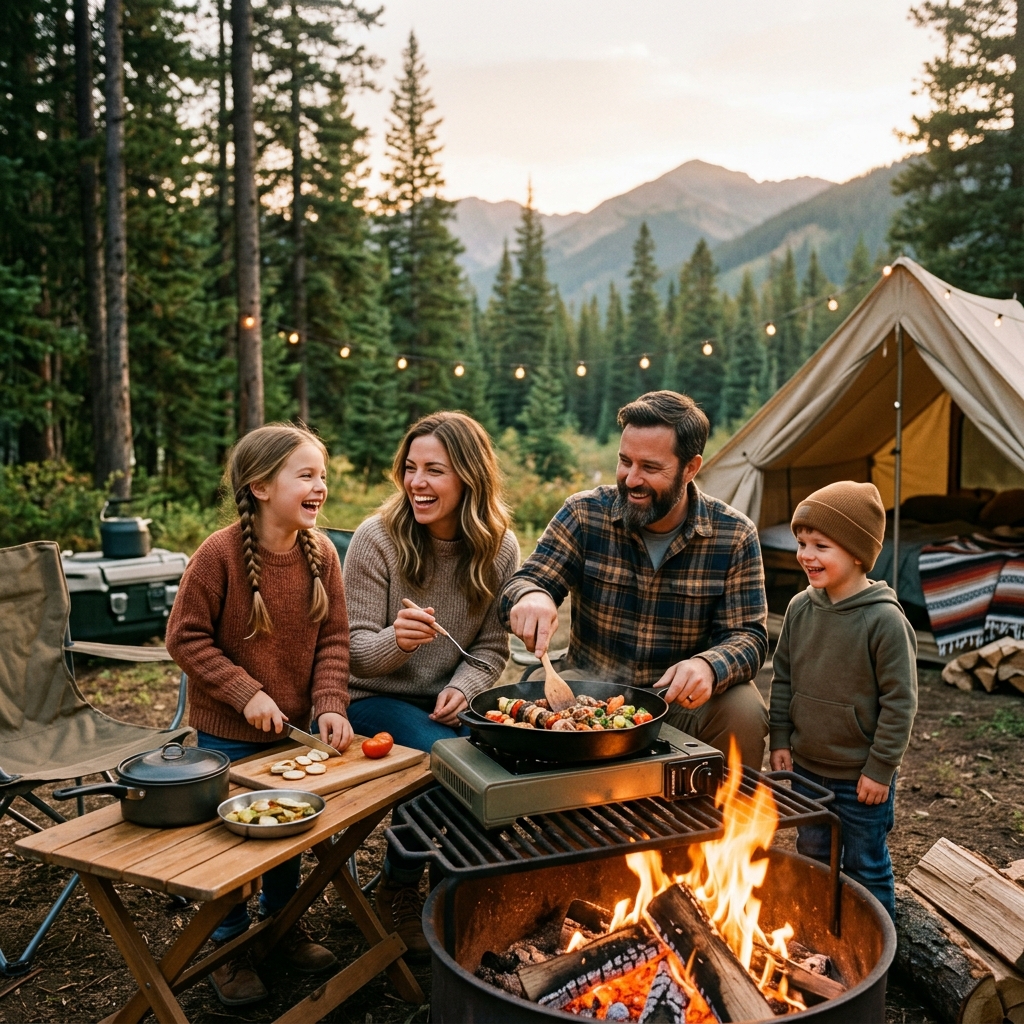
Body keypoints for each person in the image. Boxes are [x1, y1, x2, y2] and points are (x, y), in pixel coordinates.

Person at [166, 423, 353, 1006]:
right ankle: (227, 944)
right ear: (261, 486)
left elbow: (334, 641)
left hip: (291, 735)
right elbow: (185, 638)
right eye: (306, 475)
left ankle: (281, 924)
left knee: (287, 832)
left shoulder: (323, 554)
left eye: (322, 475)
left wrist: (330, 704)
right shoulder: (218, 555)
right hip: (228, 737)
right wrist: (245, 692)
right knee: (235, 844)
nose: (320, 486)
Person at [500, 390, 769, 767]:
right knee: (532, 704)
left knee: (744, 709)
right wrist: (531, 595)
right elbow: (525, 581)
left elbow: (749, 637)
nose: (631, 478)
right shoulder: (584, 513)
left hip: (679, 700)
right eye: (625, 461)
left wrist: (709, 665)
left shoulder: (734, 534)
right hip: (588, 689)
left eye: (650, 467)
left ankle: (718, 806)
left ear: (690, 468)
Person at [343, 411, 519, 956]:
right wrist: (397, 640)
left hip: (448, 705)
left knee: (501, 760)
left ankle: (457, 892)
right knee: (447, 762)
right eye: (410, 468)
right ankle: (399, 886)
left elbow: (491, 650)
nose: (416, 482)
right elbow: (351, 652)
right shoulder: (378, 539)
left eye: (434, 470)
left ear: (469, 476)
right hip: (371, 697)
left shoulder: (499, 548)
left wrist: (464, 687)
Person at [768, 481, 917, 921]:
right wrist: (780, 738)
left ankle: (877, 945)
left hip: (861, 779)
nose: (806, 555)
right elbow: (783, 678)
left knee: (866, 865)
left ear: (856, 553)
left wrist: (880, 768)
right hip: (807, 769)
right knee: (814, 854)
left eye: (821, 545)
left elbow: (900, 703)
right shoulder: (800, 608)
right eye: (801, 543)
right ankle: (818, 934)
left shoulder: (884, 620)